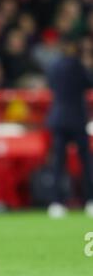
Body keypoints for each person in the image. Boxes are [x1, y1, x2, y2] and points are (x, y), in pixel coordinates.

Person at [47, 39, 93, 218]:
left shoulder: (54, 66)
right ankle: (89, 200)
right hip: (76, 119)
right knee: (85, 161)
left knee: (58, 164)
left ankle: (56, 203)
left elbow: (51, 85)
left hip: (58, 119)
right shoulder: (78, 65)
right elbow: (89, 82)